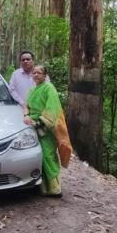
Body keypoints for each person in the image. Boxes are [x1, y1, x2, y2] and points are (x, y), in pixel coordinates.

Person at [23, 65, 72, 197]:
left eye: (39, 73)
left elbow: (52, 109)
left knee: (48, 156)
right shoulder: (32, 90)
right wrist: (26, 116)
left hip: (47, 128)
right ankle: (43, 187)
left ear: (45, 75)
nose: (35, 75)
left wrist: (39, 123)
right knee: (38, 157)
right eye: (34, 73)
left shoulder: (50, 88)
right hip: (32, 126)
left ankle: (55, 188)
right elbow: (26, 106)